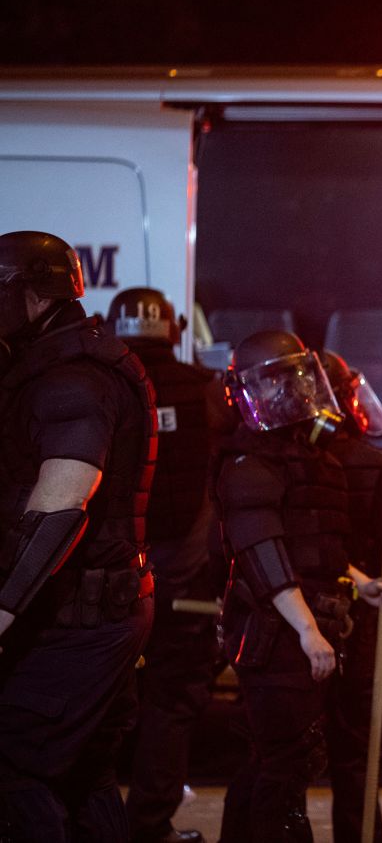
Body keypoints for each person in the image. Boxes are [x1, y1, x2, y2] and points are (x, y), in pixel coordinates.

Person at [0, 231, 157, 840]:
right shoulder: (66, 361)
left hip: (79, 616)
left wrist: (4, 610)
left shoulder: (74, 379)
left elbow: (63, 505)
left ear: (34, 297)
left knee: (15, 763)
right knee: (85, 773)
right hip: (96, 607)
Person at [214, 330, 382, 843]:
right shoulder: (249, 465)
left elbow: (319, 549)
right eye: (277, 381)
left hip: (303, 626)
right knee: (284, 765)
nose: (293, 391)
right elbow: (264, 554)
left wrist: (363, 584)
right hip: (276, 634)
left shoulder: (316, 460)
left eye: (296, 377)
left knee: (273, 760)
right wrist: (309, 631)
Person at [105, 288, 221, 843]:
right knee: (171, 704)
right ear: (174, 328)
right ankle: (149, 825)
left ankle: (87, 824)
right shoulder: (206, 392)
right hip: (183, 581)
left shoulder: (94, 385)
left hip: (104, 581)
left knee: (93, 705)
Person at [318, 349, 382, 843]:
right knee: (354, 749)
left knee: (277, 754)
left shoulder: (279, 461)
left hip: (302, 613)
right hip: (361, 617)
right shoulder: (378, 468)